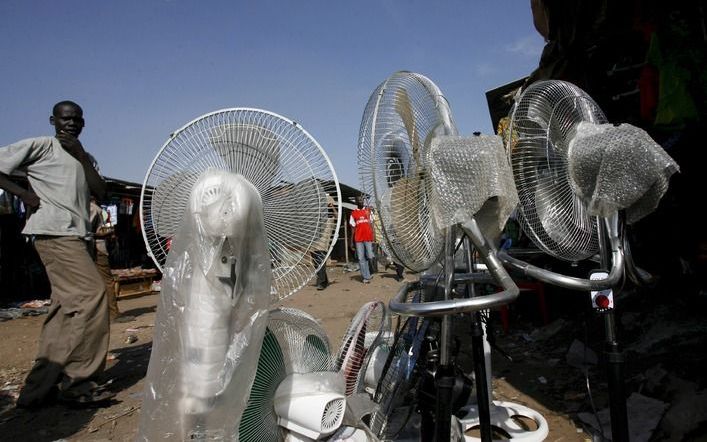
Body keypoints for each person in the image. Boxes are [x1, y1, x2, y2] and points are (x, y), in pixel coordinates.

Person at [0, 100, 114, 408]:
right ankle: (79, 382)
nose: (71, 124)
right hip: (55, 232)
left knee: (64, 309)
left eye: (77, 120)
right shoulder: (40, 146)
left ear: (83, 124)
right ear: (53, 120)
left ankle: (38, 389)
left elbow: (101, 191)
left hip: (80, 235)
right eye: (65, 119)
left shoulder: (83, 156)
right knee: (91, 296)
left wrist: (80, 155)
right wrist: (23, 194)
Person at [90, 197, 134, 322]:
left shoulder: (97, 210)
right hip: (96, 248)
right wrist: (107, 232)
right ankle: (113, 314)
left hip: (93, 248)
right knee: (107, 282)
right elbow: (90, 232)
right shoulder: (94, 209)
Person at [311, 194, 338, 290]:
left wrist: (332, 206)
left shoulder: (330, 220)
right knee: (316, 265)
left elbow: (337, 216)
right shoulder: (317, 220)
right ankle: (324, 281)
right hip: (314, 245)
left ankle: (321, 283)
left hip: (323, 246)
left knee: (321, 264)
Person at [349, 196, 375, 283]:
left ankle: (369, 272)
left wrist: (374, 236)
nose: (361, 201)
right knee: (361, 258)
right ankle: (366, 277)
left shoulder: (368, 211)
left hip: (368, 238)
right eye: (358, 200)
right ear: (356, 202)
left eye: (362, 200)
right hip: (358, 239)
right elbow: (352, 228)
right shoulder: (353, 213)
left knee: (370, 256)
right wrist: (351, 241)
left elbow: (372, 224)